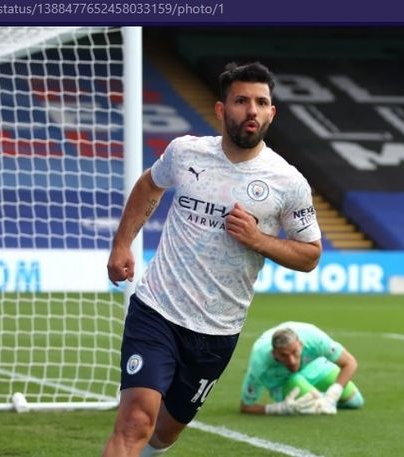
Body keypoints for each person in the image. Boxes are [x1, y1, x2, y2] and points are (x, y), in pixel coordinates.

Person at [103, 62, 322, 457]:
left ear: (272, 112)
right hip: (157, 309)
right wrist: (122, 244)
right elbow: (149, 185)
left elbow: (309, 255)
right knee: (136, 420)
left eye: (261, 102)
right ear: (222, 110)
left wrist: (259, 239)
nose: (251, 110)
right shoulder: (185, 151)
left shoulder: (288, 182)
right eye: (241, 101)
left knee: (164, 434)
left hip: (216, 331)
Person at [240, 322, 363, 416]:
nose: (292, 361)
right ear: (274, 354)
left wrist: (332, 395)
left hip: (315, 367)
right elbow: (246, 406)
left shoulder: (315, 338)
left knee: (355, 401)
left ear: (301, 345)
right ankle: (318, 397)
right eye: (284, 355)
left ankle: (322, 397)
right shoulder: (260, 360)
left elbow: (350, 363)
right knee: (316, 406)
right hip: (283, 380)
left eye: (295, 352)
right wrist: (278, 408)